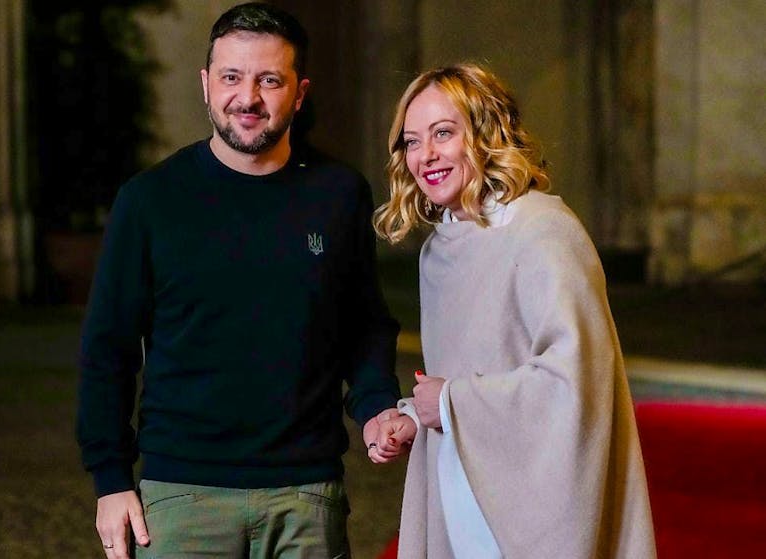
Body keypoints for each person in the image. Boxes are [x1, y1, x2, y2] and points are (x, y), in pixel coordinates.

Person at [76, 3, 405, 557]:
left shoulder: (339, 195)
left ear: (299, 93)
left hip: (306, 491)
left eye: (269, 80)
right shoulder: (150, 201)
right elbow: (107, 349)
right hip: (182, 495)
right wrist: (110, 479)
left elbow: (362, 324)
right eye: (231, 77)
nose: (247, 98)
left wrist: (376, 405)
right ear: (206, 85)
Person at [369, 63, 656, 558]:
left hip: (526, 510)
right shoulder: (438, 251)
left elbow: (577, 386)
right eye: (412, 141)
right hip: (461, 491)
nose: (426, 156)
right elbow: (464, 374)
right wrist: (416, 417)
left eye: (443, 133)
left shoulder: (544, 232)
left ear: (484, 134)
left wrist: (452, 403)